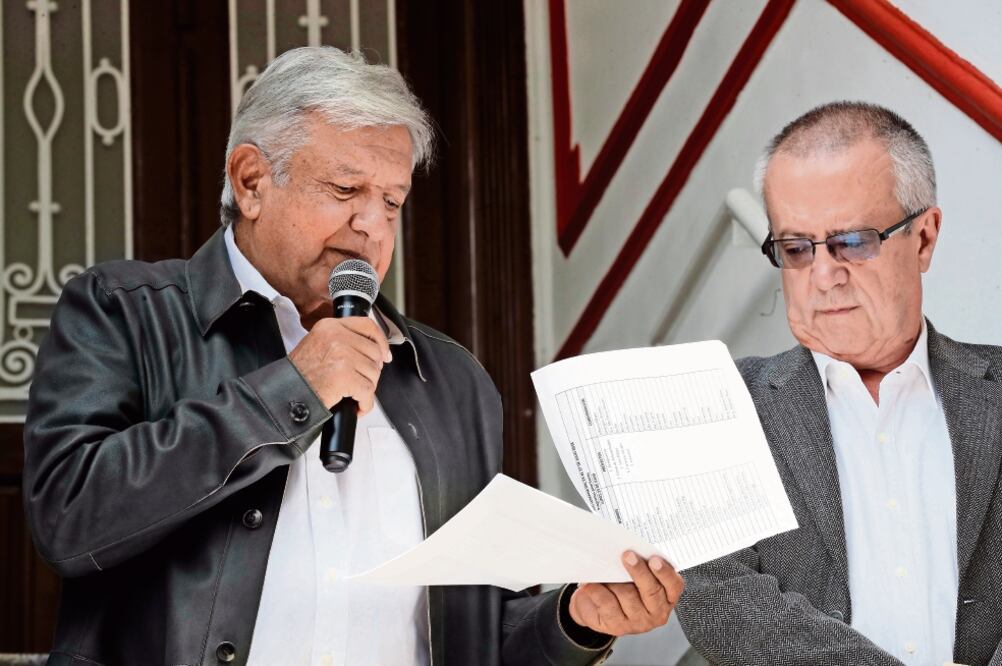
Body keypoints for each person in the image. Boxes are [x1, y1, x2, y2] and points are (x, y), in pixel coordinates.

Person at [23, 47, 683, 666]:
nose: (373, 225)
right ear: (251, 181)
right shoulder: (124, 311)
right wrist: (292, 390)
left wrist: (574, 620)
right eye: (345, 190)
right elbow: (70, 517)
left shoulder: (452, 382)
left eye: (392, 201)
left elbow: (474, 629)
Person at [676, 100, 1002, 665]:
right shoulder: (723, 406)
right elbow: (716, 599)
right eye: (796, 249)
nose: (823, 277)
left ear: (923, 238)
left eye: (852, 241)